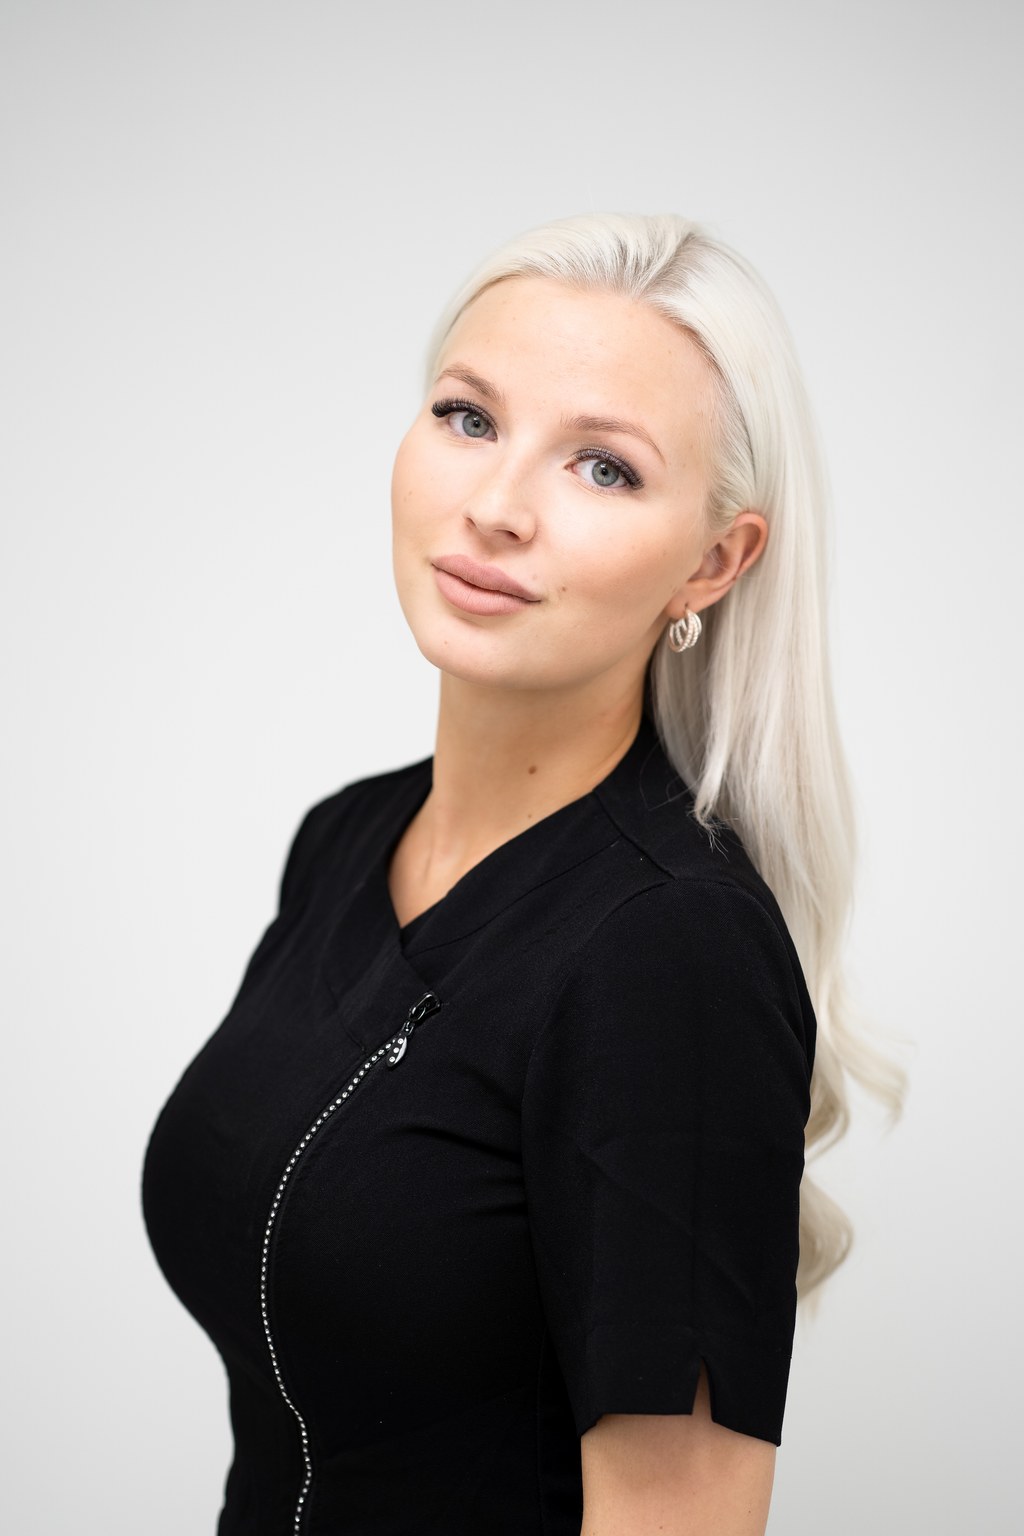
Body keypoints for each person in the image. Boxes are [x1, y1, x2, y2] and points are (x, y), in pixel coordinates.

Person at [142, 212, 902, 1535]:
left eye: (603, 467)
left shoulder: (673, 953)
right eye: (468, 417)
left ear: (713, 562)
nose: (495, 505)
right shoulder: (345, 842)